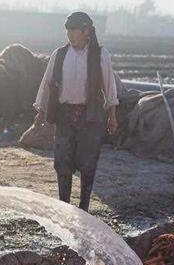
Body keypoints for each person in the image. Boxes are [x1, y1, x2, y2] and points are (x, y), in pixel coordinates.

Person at [33, 11, 118, 212]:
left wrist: (112, 115)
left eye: (75, 31)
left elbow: (109, 86)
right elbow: (47, 85)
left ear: (86, 32)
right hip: (64, 114)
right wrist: (41, 112)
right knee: (62, 161)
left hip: (92, 116)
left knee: (88, 162)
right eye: (68, 32)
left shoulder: (100, 55)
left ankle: (83, 207)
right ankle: (64, 206)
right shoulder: (59, 54)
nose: (70, 36)